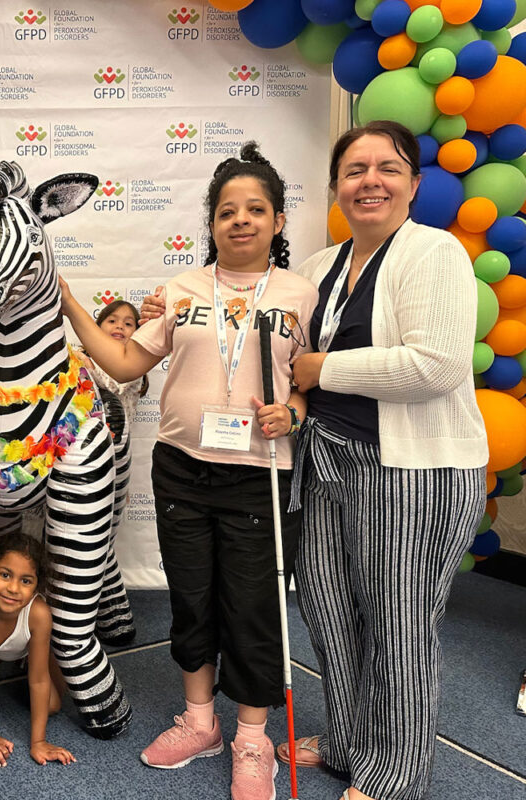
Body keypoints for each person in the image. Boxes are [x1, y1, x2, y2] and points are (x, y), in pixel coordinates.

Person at [61, 142, 318, 800]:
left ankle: (252, 738)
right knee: (193, 599)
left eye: (255, 209)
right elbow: (125, 363)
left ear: (278, 220)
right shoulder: (179, 291)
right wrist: (69, 305)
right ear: (211, 223)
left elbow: (311, 381)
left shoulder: (302, 293)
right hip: (182, 469)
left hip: (258, 473)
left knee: (254, 608)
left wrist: (291, 412)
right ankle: (200, 722)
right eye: (227, 211)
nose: (240, 220)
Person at [282, 121, 487, 800]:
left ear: (414, 184)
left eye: (388, 168)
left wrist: (324, 369)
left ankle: (395, 774)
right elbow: (282, 354)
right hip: (325, 463)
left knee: (398, 625)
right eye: (355, 170)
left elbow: (436, 366)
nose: (370, 181)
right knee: (328, 609)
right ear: (336, 187)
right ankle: (348, 741)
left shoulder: (437, 253)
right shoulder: (318, 267)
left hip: (413, 474)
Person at [0, 532, 75, 769]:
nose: (13, 588)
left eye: (26, 581)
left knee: (52, 705)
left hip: (31, 650)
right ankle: (9, 659)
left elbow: (39, 681)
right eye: (5, 575)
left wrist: (38, 742)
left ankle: (37, 659)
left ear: (36, 587)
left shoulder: (39, 615)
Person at [81, 300, 149, 424]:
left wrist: (84, 361)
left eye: (128, 324)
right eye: (112, 321)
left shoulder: (135, 364)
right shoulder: (83, 355)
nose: (119, 326)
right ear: (97, 328)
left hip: (115, 433)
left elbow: (111, 385)